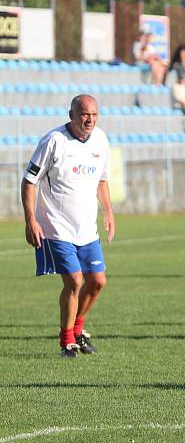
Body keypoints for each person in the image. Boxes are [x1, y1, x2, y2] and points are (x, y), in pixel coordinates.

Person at [21, 95, 115, 358]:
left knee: (97, 282)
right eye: (85, 114)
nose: (90, 120)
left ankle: (78, 328)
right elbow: (29, 181)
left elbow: (102, 180)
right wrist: (31, 219)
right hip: (56, 227)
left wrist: (108, 212)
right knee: (74, 280)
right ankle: (67, 342)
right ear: (71, 114)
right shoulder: (53, 141)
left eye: (95, 114)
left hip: (87, 228)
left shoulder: (101, 140)